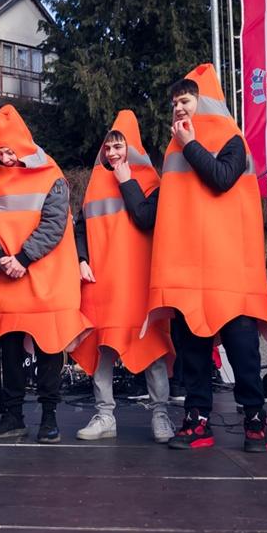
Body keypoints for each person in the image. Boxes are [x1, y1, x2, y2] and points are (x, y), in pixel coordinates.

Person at [145, 64, 267, 452]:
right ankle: (198, 421)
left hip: (228, 269)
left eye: (185, 101)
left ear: (205, 102)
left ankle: (255, 419)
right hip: (186, 269)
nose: (178, 110)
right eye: (174, 105)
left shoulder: (233, 139)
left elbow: (222, 178)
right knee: (193, 352)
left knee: (241, 350)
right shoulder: (174, 149)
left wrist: (189, 144)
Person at [0, 105, 89, 444]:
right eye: (1, 151)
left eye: (12, 150)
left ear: (26, 147)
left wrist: (22, 259)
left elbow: (55, 224)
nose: (7, 157)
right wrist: (1, 257)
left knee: (49, 350)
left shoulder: (51, 176)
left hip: (44, 278)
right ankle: (12, 416)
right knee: (9, 349)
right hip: (10, 276)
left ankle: (49, 417)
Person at [71, 111, 176, 443]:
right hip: (103, 282)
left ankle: (161, 415)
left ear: (132, 148)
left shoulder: (152, 181)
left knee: (151, 347)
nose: (113, 153)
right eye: (109, 148)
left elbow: (146, 220)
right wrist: (82, 258)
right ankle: (105, 415)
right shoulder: (94, 185)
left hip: (138, 282)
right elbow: (81, 226)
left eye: (119, 146)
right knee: (103, 346)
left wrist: (126, 179)